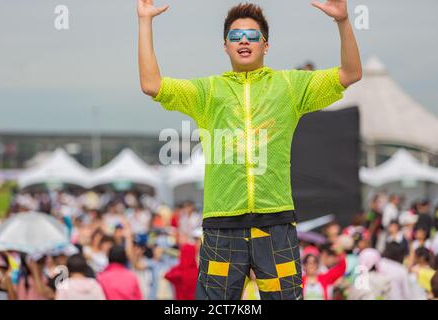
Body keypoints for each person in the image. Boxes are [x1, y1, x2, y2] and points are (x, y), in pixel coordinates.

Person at [137, 0, 361, 300]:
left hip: (276, 222)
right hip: (222, 226)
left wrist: (343, 22)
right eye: (236, 36)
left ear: (266, 46)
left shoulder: (289, 86)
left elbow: (351, 73)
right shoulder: (207, 92)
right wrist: (145, 21)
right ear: (225, 46)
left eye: (253, 36)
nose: (244, 40)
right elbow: (151, 84)